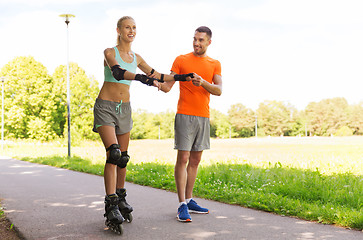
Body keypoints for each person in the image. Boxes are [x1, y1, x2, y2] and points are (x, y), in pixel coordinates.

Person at [93, 16, 194, 234]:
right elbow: (118, 72)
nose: (131, 30)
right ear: (118, 30)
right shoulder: (110, 52)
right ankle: (110, 204)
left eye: (134, 27)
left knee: (124, 157)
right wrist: (142, 78)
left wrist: (185, 77)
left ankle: (120, 198)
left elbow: (158, 75)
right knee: (113, 154)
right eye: (127, 27)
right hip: (106, 107)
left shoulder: (136, 56)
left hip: (125, 109)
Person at [158, 26, 223, 222]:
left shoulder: (215, 64)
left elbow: (219, 90)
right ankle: (181, 205)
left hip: (203, 116)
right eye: (195, 39)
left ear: (209, 42)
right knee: (183, 158)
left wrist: (203, 82)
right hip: (185, 115)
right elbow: (168, 85)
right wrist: (155, 82)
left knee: (195, 161)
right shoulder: (181, 60)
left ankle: (189, 199)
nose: (196, 43)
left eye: (201, 40)